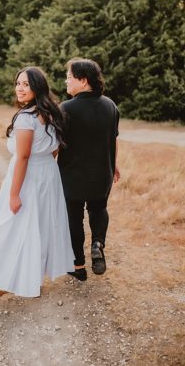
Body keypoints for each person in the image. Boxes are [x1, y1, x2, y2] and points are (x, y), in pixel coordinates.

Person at [0, 66, 76, 297]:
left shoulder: (26, 118)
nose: (20, 89)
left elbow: (23, 156)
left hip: (29, 177)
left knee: (12, 225)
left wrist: (14, 194)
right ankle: (28, 276)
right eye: (18, 83)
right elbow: (54, 150)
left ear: (37, 87)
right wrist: (45, 168)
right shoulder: (51, 113)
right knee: (39, 226)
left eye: (26, 84)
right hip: (48, 175)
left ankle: (5, 281)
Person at [59, 58, 120, 280]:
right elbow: (112, 140)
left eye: (69, 77)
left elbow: (56, 144)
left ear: (83, 80)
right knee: (98, 208)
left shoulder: (66, 108)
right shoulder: (110, 106)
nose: (66, 81)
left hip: (72, 174)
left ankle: (78, 267)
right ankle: (97, 243)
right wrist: (114, 165)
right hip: (102, 172)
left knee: (73, 218)